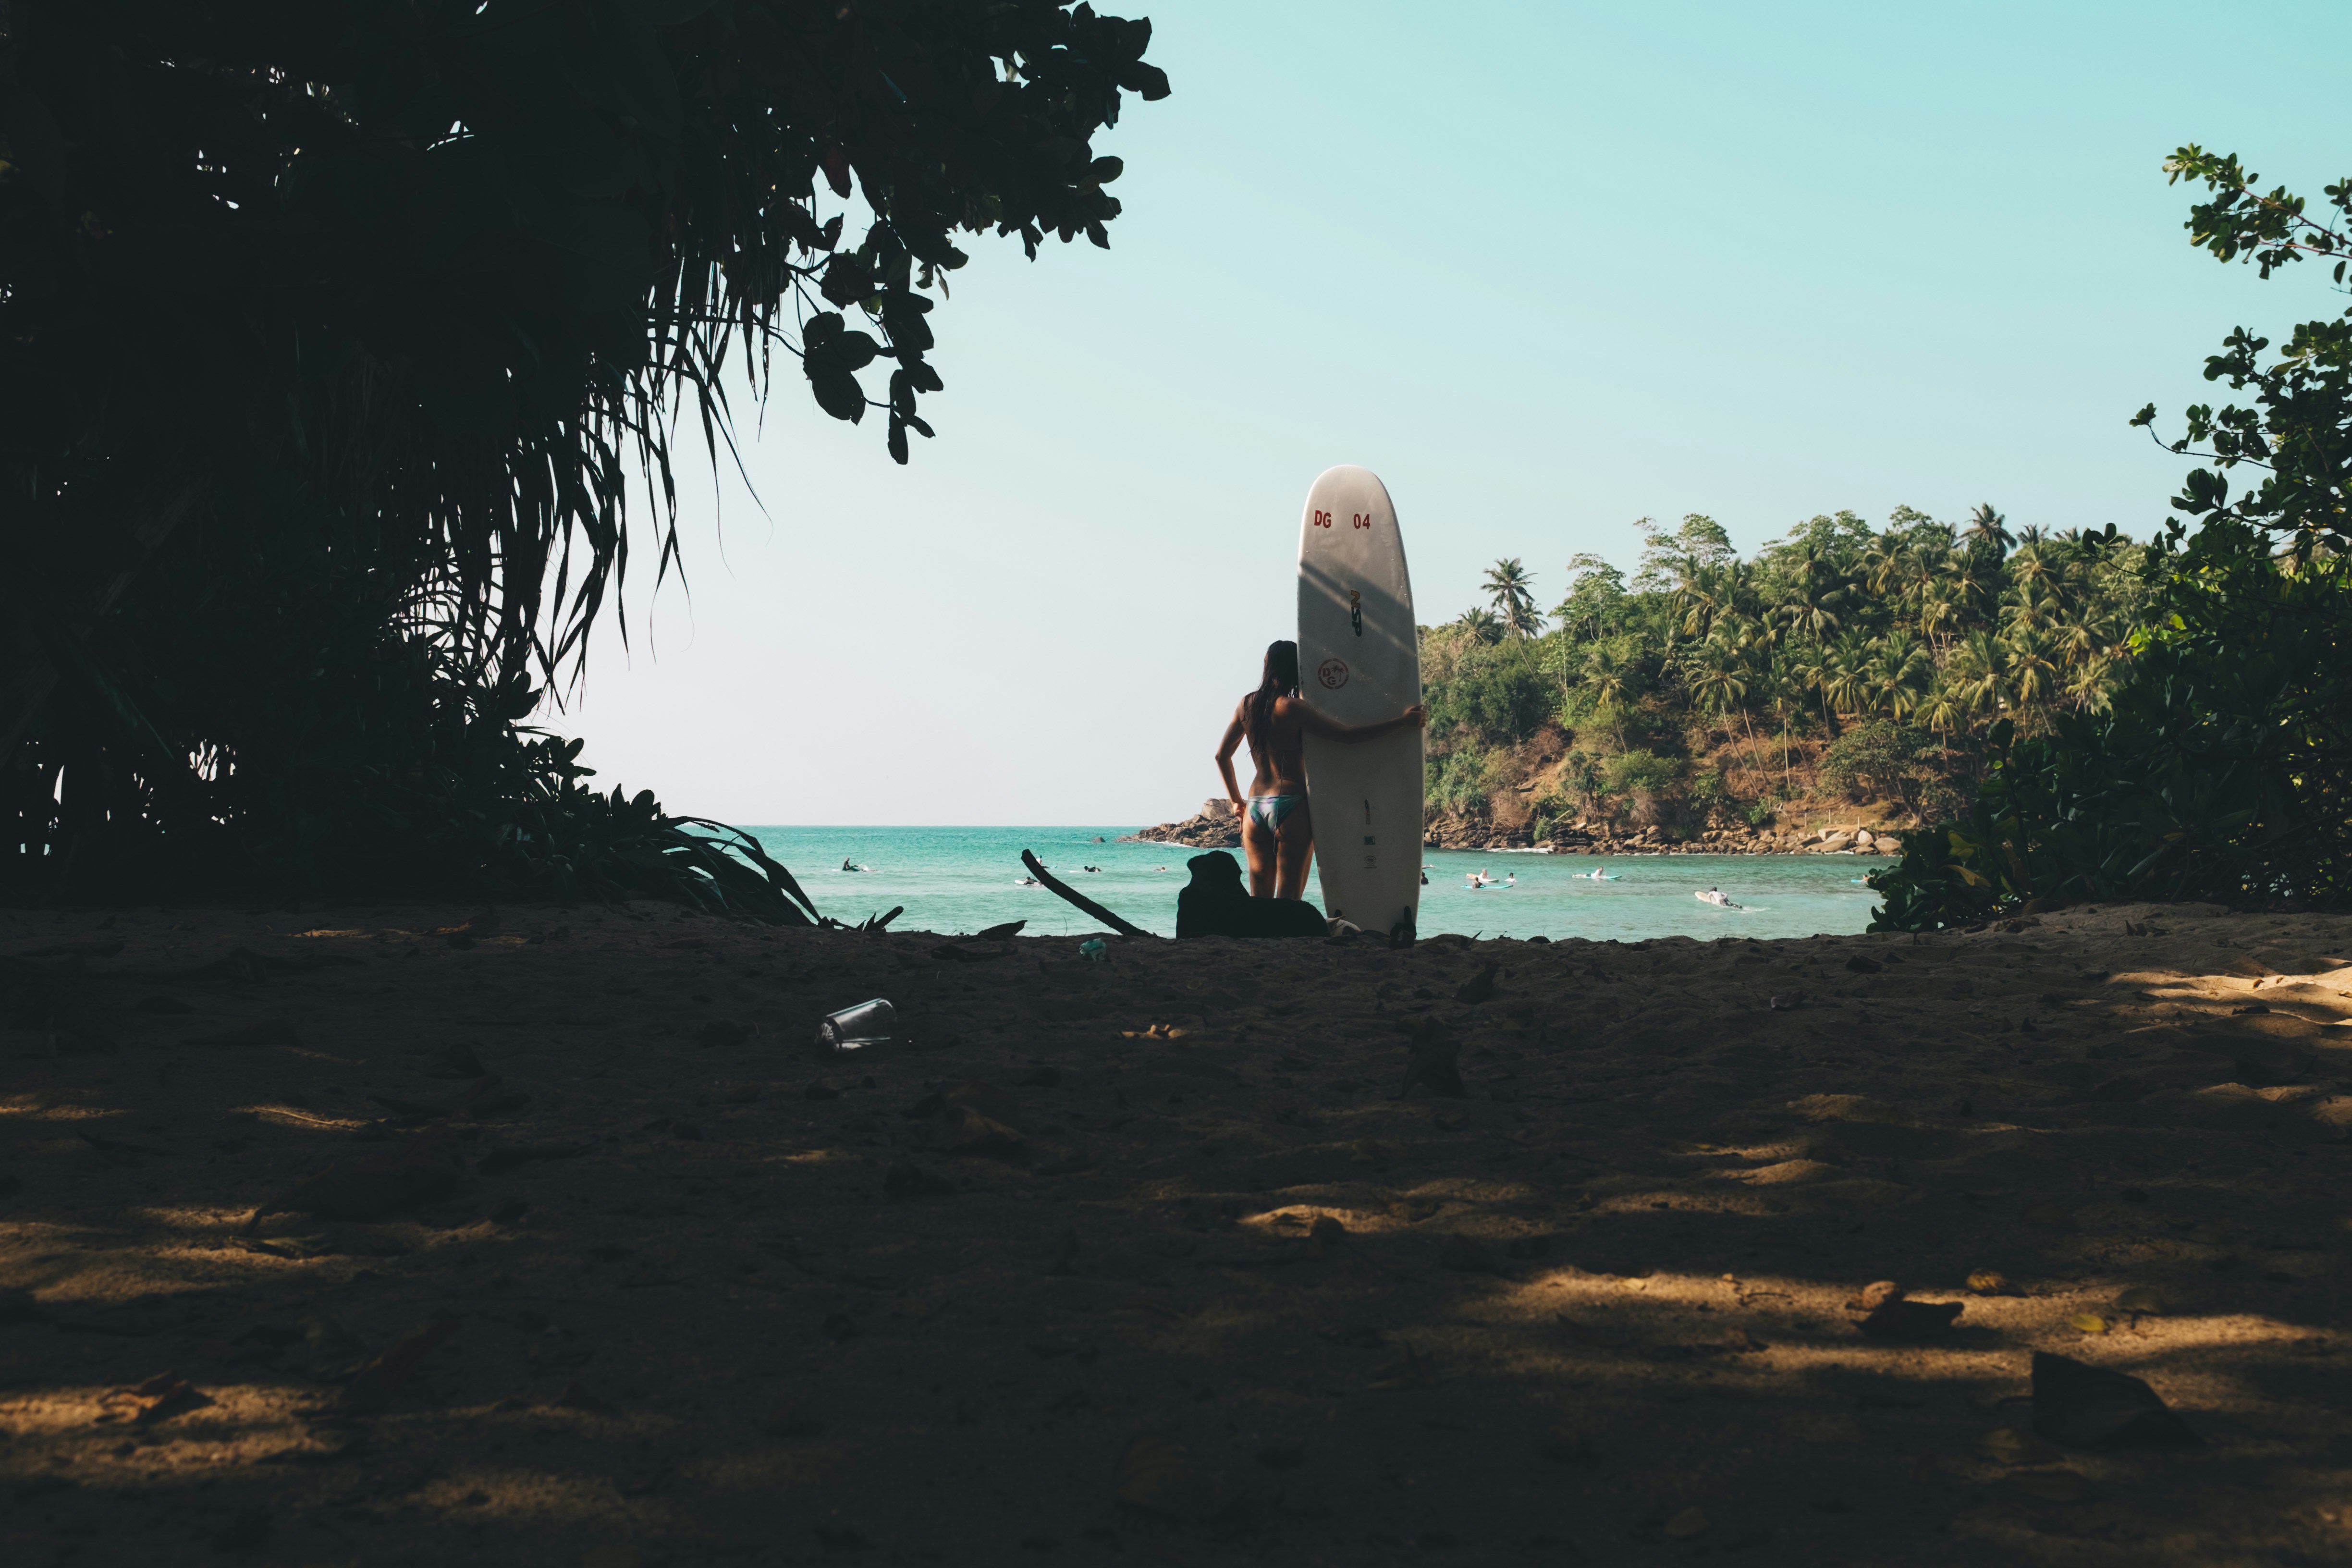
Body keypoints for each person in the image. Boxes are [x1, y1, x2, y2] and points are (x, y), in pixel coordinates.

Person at [1214, 639, 1426, 900]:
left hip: (1255, 808)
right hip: (1291, 804)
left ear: (1267, 666)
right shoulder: (1292, 707)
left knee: (1259, 902)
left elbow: (1221, 756)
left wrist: (1236, 802)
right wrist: (1402, 722)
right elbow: (1347, 736)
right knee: (1289, 900)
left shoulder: (1246, 705)